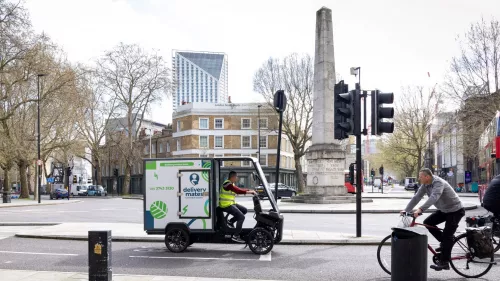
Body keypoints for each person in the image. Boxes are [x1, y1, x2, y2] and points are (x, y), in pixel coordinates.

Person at [401, 168, 464, 271]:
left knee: (448, 235)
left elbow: (434, 197)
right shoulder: (425, 185)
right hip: (444, 210)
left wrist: (420, 209)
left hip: (455, 210)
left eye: (421, 177)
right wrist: (406, 210)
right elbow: (417, 197)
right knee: (427, 223)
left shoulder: (438, 183)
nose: (419, 178)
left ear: (427, 177)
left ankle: (444, 262)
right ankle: (445, 243)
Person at [219, 171, 257, 243]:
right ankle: (235, 236)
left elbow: (239, 189)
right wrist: (250, 192)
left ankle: (230, 221)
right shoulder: (227, 184)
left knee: (244, 210)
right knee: (241, 217)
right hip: (225, 205)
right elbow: (238, 191)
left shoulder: (231, 184)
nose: (237, 178)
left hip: (231, 203)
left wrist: (250, 191)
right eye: (236, 176)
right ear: (233, 177)